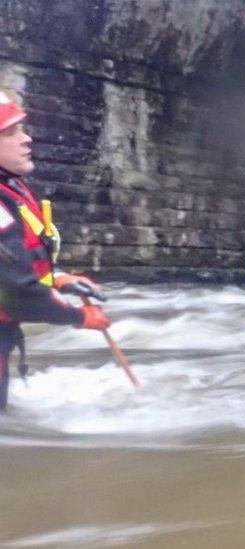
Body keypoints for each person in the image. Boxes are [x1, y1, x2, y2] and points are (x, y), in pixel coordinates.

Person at [0, 88, 110, 410]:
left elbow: (13, 263)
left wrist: (58, 278)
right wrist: (79, 316)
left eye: (22, 128)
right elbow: (18, 293)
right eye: (9, 132)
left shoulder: (10, 187)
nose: (26, 139)